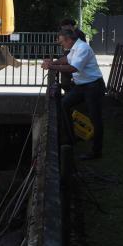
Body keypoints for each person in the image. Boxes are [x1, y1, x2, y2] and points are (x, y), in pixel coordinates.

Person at [42, 28, 105, 160]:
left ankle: (96, 151)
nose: (61, 45)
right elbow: (67, 59)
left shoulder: (83, 48)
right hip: (83, 85)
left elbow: (73, 67)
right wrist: (53, 62)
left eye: (62, 42)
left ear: (69, 40)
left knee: (95, 118)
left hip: (93, 86)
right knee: (65, 104)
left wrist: (51, 66)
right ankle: (71, 138)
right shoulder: (75, 48)